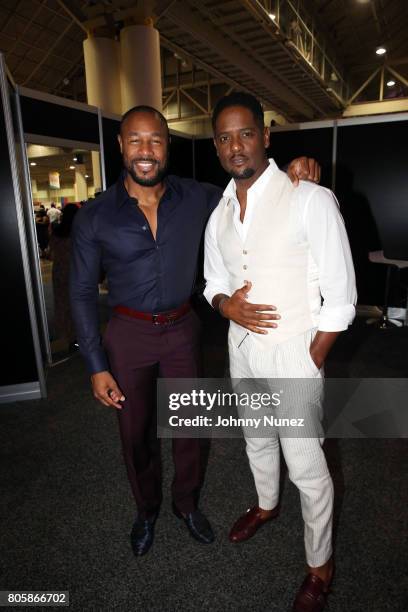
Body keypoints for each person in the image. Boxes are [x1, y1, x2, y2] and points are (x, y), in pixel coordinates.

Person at [69, 103, 321, 559]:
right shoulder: (95, 215)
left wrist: (295, 169)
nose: (146, 151)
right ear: (121, 146)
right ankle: (146, 509)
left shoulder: (202, 197)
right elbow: (82, 293)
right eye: (136, 141)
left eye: (156, 140)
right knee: (136, 432)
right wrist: (94, 365)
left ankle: (186, 504)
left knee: (190, 426)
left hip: (183, 329)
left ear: (168, 146)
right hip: (128, 335)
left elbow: (252, 185)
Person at [204, 92, 356, 612]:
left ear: (266, 135)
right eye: (224, 137)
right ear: (217, 146)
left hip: (294, 353)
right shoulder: (220, 213)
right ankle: (266, 506)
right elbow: (212, 282)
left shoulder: (309, 197)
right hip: (240, 351)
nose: (235, 146)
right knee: (256, 440)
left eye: (245, 133)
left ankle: (320, 563)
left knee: (306, 465)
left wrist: (311, 357)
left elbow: (342, 296)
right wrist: (225, 306)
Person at [49, 203, 79, 351]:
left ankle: (67, 335)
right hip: (75, 272)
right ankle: (76, 336)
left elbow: (51, 252)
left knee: (62, 303)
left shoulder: (56, 231)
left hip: (59, 271)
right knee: (77, 304)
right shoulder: (78, 232)